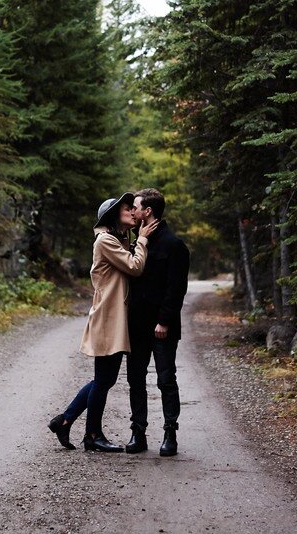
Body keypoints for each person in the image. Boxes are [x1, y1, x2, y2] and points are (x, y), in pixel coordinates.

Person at [48, 192, 160, 452]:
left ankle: (65, 421)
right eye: (127, 209)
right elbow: (134, 267)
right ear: (113, 215)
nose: (133, 212)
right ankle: (92, 435)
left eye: (134, 208)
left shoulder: (118, 240)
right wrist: (143, 239)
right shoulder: (106, 241)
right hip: (107, 319)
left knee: (104, 379)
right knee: (103, 379)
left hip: (112, 318)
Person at [124, 188, 190, 457]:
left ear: (148, 211)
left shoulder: (174, 245)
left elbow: (177, 289)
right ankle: (138, 432)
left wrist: (164, 321)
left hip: (162, 327)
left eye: (136, 208)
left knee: (165, 379)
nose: (133, 212)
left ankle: (169, 433)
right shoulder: (136, 242)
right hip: (136, 325)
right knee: (135, 379)